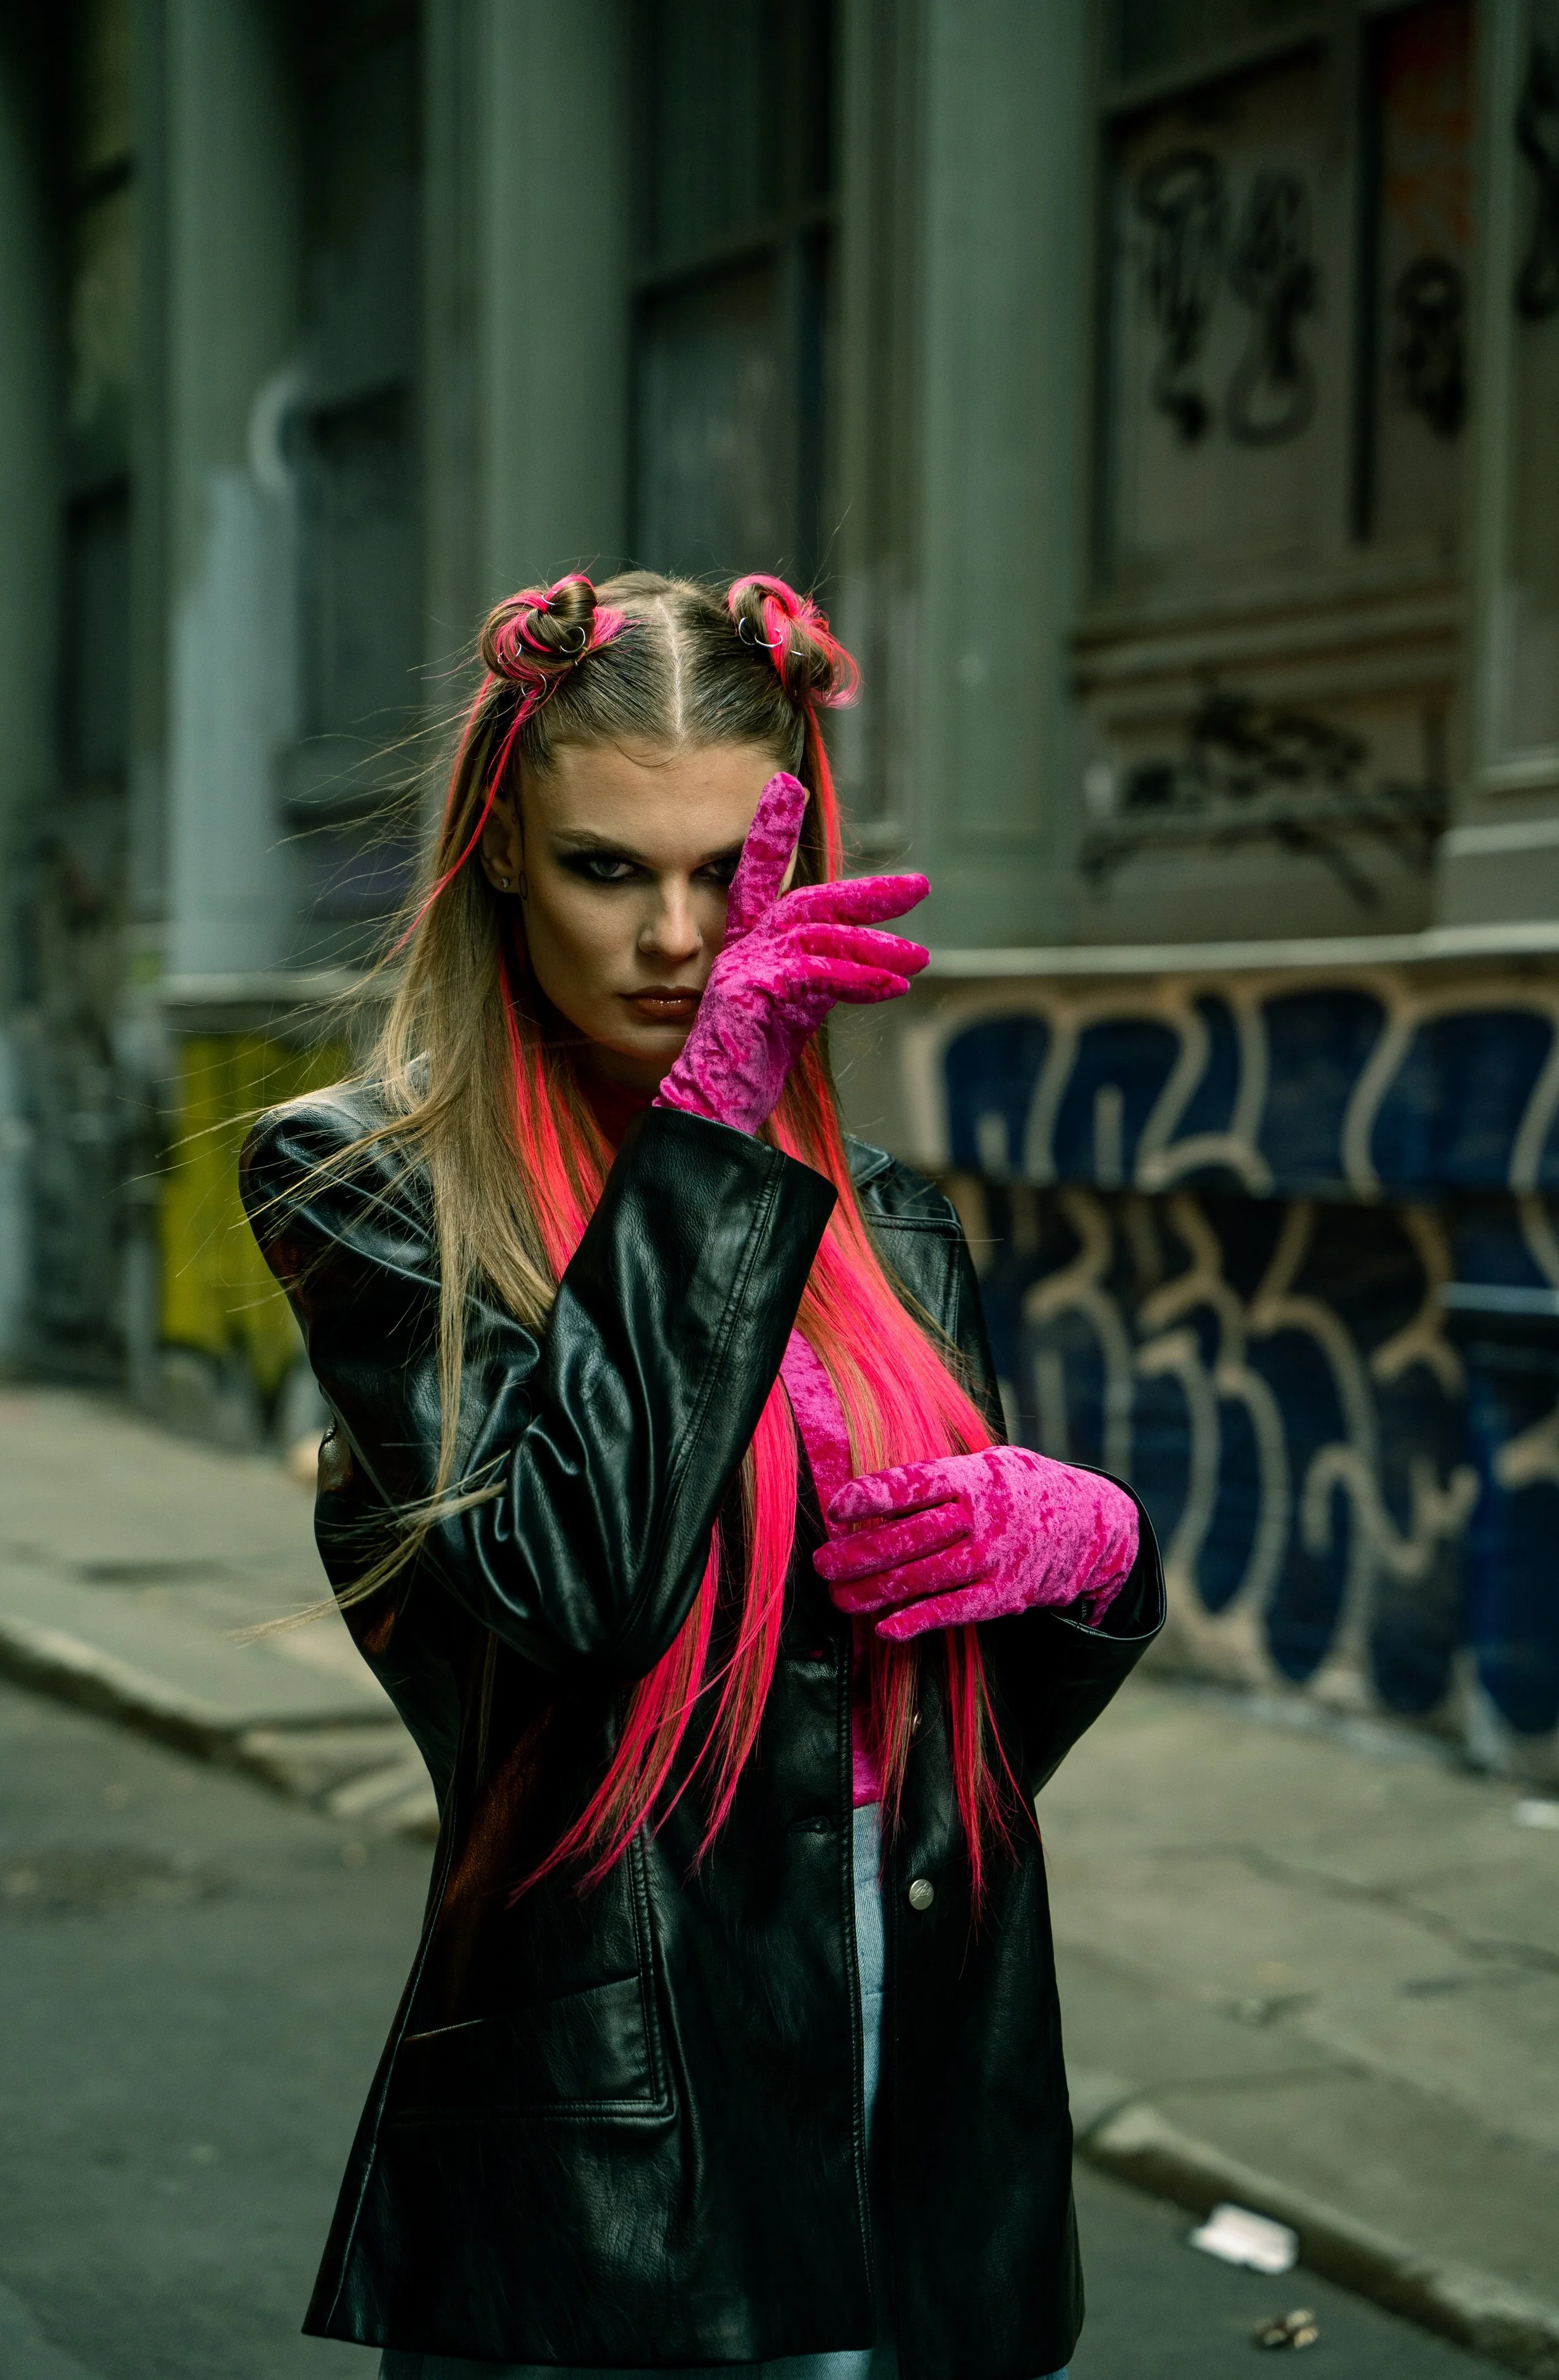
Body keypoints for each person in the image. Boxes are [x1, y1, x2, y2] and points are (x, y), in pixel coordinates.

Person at [240, 570, 1165, 2380]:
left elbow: (912, 1742)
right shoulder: (372, 1187)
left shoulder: (882, 1214)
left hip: (924, 2075)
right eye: (609, 869)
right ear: (503, 852)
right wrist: (707, 1133)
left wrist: (1085, 1559)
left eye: (724, 877)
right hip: (619, 2117)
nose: (678, 938)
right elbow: (570, 1600)